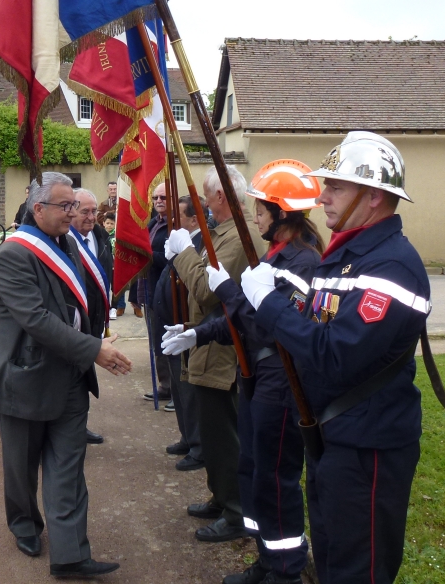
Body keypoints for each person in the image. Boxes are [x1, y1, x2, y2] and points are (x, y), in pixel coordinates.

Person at [244, 132, 429, 584]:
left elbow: (334, 354)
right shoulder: (344, 257)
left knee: (356, 568)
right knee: (329, 558)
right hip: (333, 436)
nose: (322, 197)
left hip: (368, 445)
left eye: (336, 187)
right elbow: (311, 329)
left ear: (373, 197)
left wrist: (268, 304)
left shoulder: (392, 266)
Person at [164, 161, 324, 584]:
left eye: (260, 210)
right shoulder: (277, 255)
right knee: (253, 472)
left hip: (282, 380)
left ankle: (286, 568)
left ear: (282, 212)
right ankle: (267, 558)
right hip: (260, 376)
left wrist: (228, 291)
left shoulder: (303, 263)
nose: (253, 218)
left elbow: (262, 323)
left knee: (275, 479)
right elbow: (246, 317)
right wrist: (198, 333)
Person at [0, 173, 131, 578]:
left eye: (74, 206)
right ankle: (25, 525)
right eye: (64, 206)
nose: (73, 213)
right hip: (25, 380)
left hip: (70, 377)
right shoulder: (14, 254)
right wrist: (93, 349)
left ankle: (70, 555)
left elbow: (81, 301)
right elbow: (36, 320)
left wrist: (96, 333)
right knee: (22, 467)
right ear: (38, 207)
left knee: (67, 468)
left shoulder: (69, 245)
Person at [165, 165, 250, 543]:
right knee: (214, 438)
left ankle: (236, 514)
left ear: (220, 196)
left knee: (223, 437)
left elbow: (205, 291)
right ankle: (221, 497)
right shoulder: (221, 233)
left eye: (207, 194)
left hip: (223, 354)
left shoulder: (235, 238)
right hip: (208, 345)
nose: (203, 203)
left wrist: (184, 253)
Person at [154, 196, 205, 470]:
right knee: (177, 386)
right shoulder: (177, 242)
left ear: (195, 220)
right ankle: (187, 437)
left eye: (179, 218)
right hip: (171, 325)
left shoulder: (198, 245)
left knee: (189, 392)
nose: (172, 224)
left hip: (187, 326)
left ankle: (198, 446)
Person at [69, 189, 113, 446]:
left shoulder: (101, 236)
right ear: (72, 210)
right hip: (74, 324)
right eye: (84, 211)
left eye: (94, 211)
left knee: (85, 376)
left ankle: (80, 425)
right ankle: (69, 428)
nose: (90, 216)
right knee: (70, 380)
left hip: (95, 321)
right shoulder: (64, 240)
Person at [142, 185, 171, 401]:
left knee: (169, 337)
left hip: (169, 291)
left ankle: (175, 390)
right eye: (155, 197)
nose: (158, 200)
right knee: (156, 339)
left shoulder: (175, 226)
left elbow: (174, 259)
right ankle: (165, 385)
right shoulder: (153, 223)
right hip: (150, 288)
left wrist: (149, 255)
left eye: (163, 197)